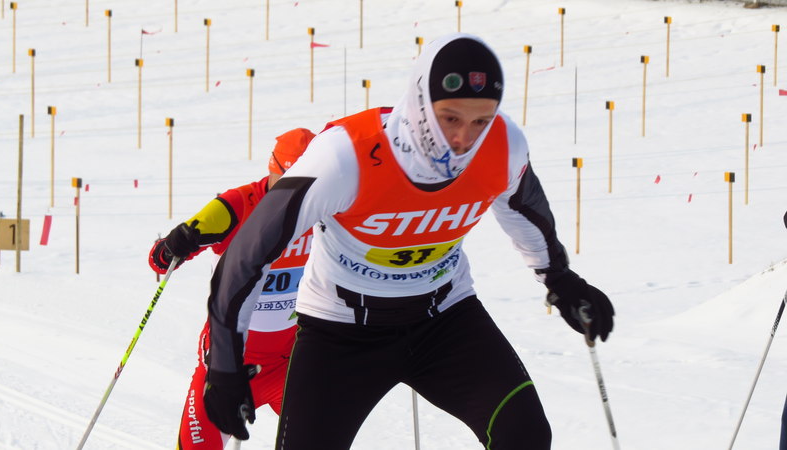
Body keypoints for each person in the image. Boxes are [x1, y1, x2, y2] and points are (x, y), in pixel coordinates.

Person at [202, 33, 615, 449]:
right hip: (341, 332)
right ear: (421, 103)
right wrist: (224, 366)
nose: (464, 138)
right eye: (450, 118)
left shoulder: (503, 146)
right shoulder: (346, 155)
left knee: (524, 435)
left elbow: (524, 211)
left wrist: (560, 279)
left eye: (481, 121)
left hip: (445, 319)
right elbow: (247, 255)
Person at [147, 128, 316, 449]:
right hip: (226, 366)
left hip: (289, 365)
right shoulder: (238, 205)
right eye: (289, 181)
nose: (296, 194)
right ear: (274, 168)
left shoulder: (322, 206)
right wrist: (171, 247)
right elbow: (161, 260)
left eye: (307, 184)